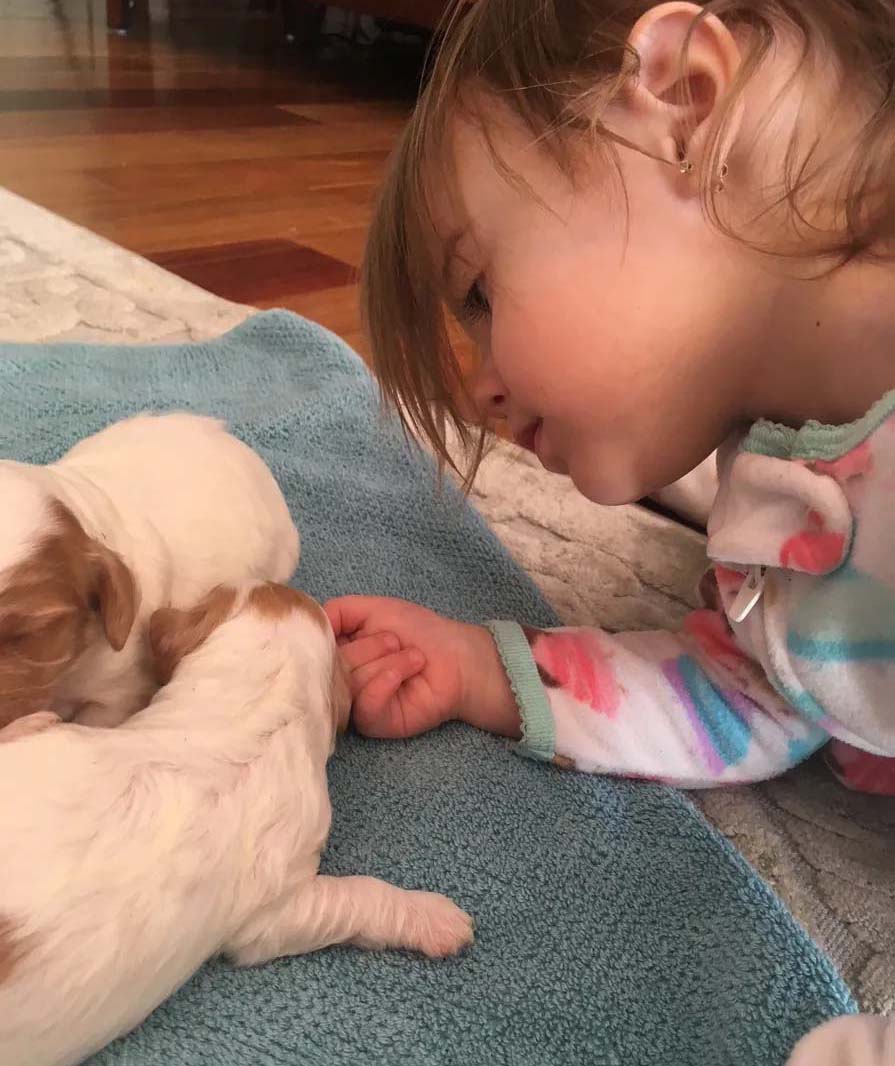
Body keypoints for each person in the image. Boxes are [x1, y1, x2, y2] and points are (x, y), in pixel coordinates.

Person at [327, 2, 895, 1059]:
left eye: (481, 292)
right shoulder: (775, 469)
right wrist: (479, 668)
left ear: (679, 101)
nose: (481, 385)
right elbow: (765, 690)